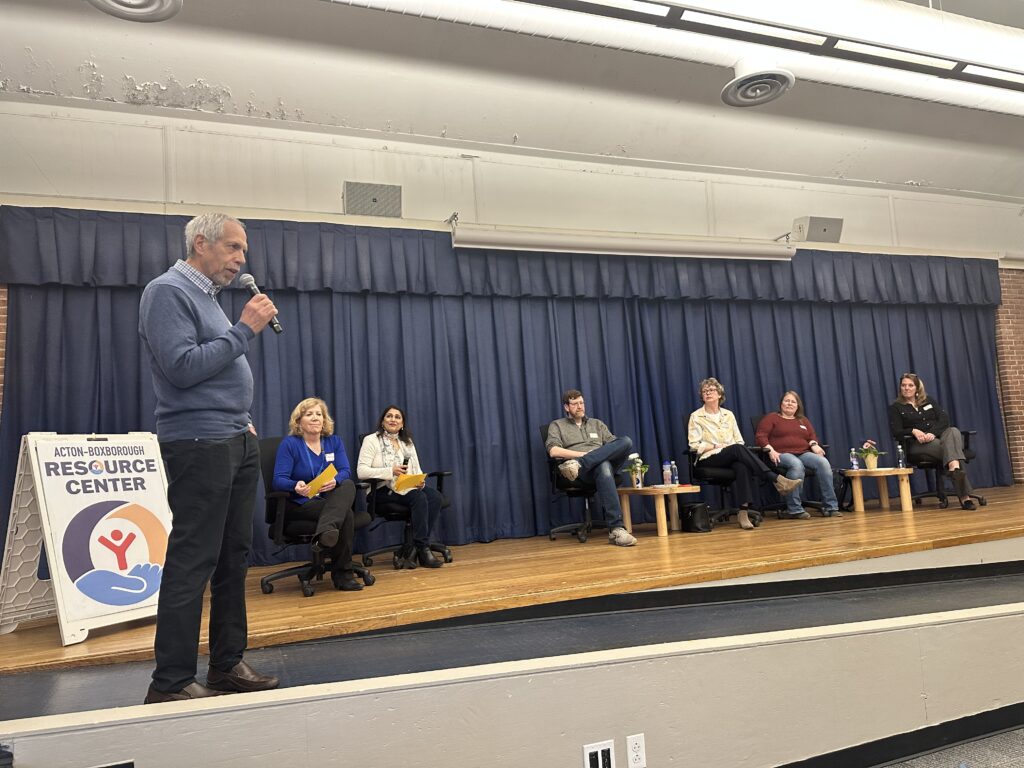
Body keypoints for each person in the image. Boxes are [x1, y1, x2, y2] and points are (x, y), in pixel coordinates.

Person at [139, 212, 280, 703]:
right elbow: (181, 369)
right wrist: (244, 330)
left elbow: (214, 371)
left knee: (232, 560)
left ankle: (225, 666)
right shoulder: (167, 292)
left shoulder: (209, 299)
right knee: (192, 561)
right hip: (198, 444)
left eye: (243, 251)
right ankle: (171, 683)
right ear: (202, 243)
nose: (242, 259)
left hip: (231, 437)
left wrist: (238, 416)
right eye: (234, 248)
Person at [273, 397, 367, 590]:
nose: (315, 418)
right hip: (300, 503)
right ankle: (343, 575)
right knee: (346, 514)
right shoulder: (290, 444)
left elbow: (344, 471)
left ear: (325, 420)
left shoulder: (334, 441)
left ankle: (325, 531)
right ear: (299, 421)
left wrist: (335, 481)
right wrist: (295, 485)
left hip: (328, 500)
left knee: (347, 483)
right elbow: (278, 479)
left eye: (319, 414)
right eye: (309, 414)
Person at [688, 377, 802, 530]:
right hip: (708, 458)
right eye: (704, 391)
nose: (708, 393)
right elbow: (694, 445)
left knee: (742, 464)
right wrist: (716, 445)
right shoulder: (696, 416)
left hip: (732, 454)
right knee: (737, 449)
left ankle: (743, 513)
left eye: (711, 390)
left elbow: (739, 440)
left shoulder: (729, 415)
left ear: (720, 394)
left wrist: (731, 448)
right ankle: (775, 479)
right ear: (702, 396)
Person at [545, 389, 637, 547]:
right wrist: (582, 455)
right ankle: (616, 529)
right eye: (575, 404)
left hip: (582, 464)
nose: (580, 407)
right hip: (578, 473)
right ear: (567, 407)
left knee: (626, 441)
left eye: (582, 403)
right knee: (603, 465)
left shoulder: (597, 424)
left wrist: (590, 457)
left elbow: (616, 446)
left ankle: (583, 462)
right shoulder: (557, 425)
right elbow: (553, 451)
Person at [357, 405, 445, 568]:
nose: (393, 419)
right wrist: (390, 471)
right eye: (389, 416)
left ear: (402, 423)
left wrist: (420, 481)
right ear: (383, 422)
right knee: (418, 497)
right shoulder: (371, 440)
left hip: (406, 485)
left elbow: (417, 469)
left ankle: (412, 547)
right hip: (381, 489)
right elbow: (361, 471)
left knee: (435, 497)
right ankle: (422, 549)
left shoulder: (407, 442)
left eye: (397, 417)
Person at [888, 373, 976, 509]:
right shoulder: (896, 407)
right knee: (954, 453)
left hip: (936, 439)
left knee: (952, 431)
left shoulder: (928, 401)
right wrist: (912, 431)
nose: (906, 388)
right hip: (917, 446)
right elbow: (896, 431)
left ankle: (954, 468)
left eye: (910, 385)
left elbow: (944, 420)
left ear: (917, 388)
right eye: (903, 385)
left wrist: (932, 433)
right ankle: (965, 497)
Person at [755, 391, 841, 519]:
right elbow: (760, 436)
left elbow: (812, 436)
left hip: (803, 452)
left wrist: (814, 444)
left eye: (793, 402)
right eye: (786, 401)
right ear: (781, 403)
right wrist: (770, 449)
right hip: (780, 454)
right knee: (796, 465)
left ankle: (831, 507)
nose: (789, 404)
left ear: (797, 406)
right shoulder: (772, 418)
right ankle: (794, 509)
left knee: (823, 463)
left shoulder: (803, 420)